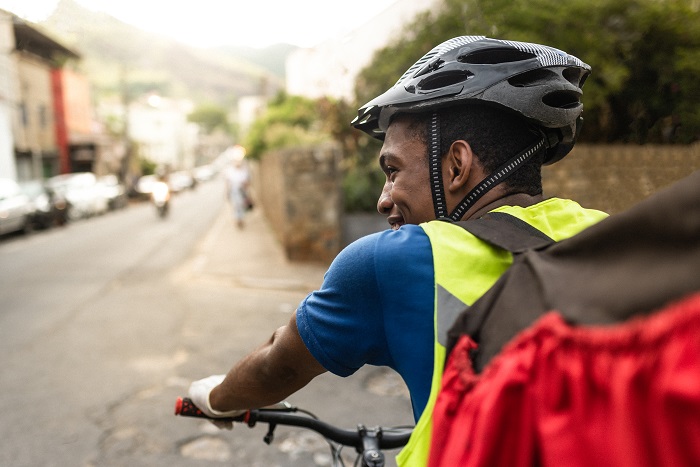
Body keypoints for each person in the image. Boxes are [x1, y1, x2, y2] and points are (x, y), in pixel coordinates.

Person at [187, 36, 608, 465]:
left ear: (456, 166)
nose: (383, 199)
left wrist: (216, 397)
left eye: (393, 171)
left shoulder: (397, 261)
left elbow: (278, 366)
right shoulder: (610, 235)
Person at [224, 149, 251, 228]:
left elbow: (247, 181)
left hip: (242, 190)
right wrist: (227, 192)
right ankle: (238, 219)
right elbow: (228, 182)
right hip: (234, 190)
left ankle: (241, 219)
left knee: (241, 205)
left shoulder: (244, 170)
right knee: (236, 205)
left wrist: (246, 187)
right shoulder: (230, 171)